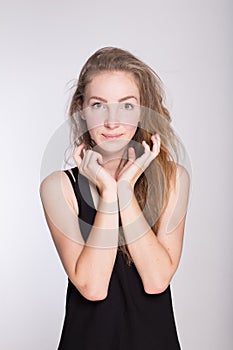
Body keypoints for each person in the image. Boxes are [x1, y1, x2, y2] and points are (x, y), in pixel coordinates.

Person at [40, 47, 190, 349]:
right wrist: (109, 194)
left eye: (126, 106)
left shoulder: (173, 178)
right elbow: (93, 287)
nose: (111, 121)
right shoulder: (58, 187)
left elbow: (157, 279)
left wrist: (124, 190)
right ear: (81, 110)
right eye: (98, 105)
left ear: (143, 109)